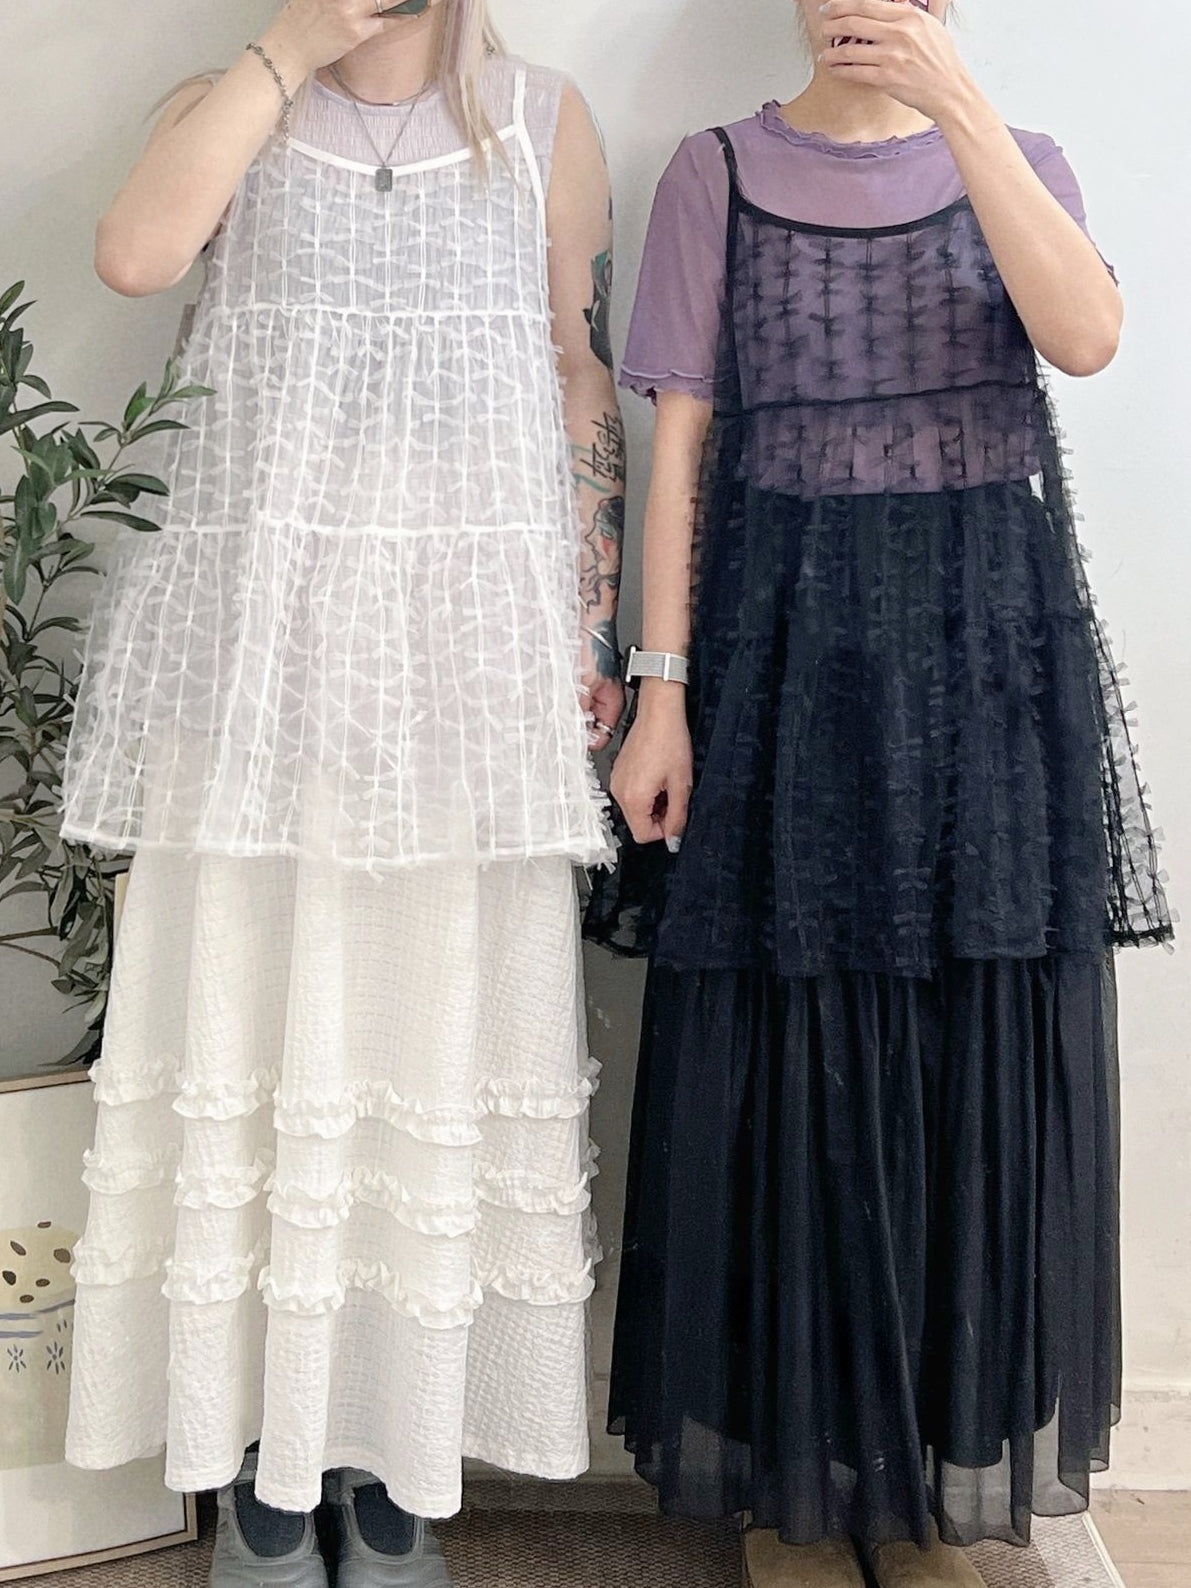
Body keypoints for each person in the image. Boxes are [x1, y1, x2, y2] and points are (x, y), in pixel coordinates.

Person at [587, 2, 1171, 1585]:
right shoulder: (716, 171)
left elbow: (1087, 338)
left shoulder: (1019, 157)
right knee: (788, 1049)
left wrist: (962, 111)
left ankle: (929, 1488)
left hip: (988, 660)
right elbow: (678, 446)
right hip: (781, 655)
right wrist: (661, 693)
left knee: (970, 1049)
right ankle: (801, 1487)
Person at [59, 2, 625, 1584]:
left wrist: (589, 617)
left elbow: (576, 377)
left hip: (461, 678)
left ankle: (391, 1474)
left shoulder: (543, 121)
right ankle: (258, 1471)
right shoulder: (229, 105)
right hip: (250, 676)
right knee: (250, 1045)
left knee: (423, 1054)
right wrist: (290, 49)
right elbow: (133, 257)